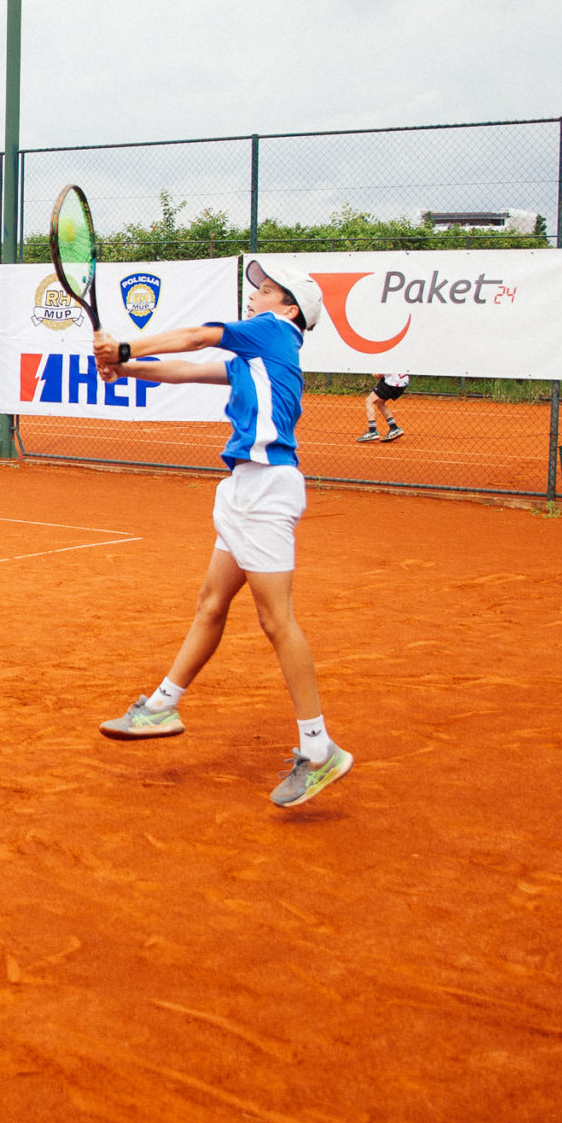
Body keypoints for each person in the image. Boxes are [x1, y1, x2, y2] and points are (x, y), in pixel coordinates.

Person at [88, 261, 351, 810]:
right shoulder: (257, 357)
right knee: (211, 604)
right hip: (242, 491)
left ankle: (318, 746)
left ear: (289, 308)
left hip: (265, 491)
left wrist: (126, 349)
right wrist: (126, 370)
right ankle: (163, 705)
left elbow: (192, 336)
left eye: (265, 290)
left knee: (276, 620)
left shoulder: (274, 332)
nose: (253, 296)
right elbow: (184, 370)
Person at [360, 372, 408, 443]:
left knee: (369, 401)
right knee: (379, 402)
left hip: (393, 382)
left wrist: (375, 374)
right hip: (403, 382)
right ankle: (394, 428)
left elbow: (379, 375)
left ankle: (372, 431)